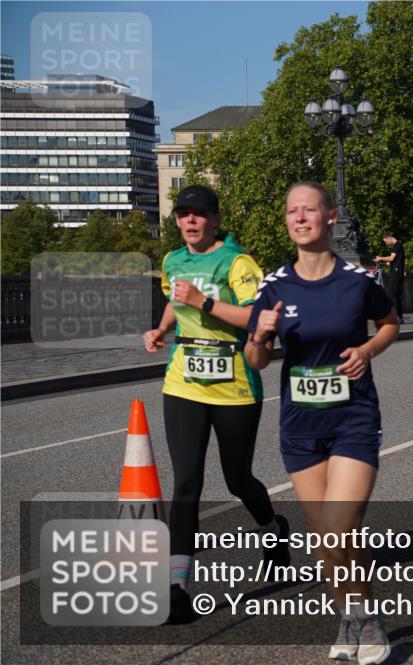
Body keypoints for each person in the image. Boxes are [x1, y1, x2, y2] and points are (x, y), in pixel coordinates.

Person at [245, 182, 399, 664]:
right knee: (327, 543)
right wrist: (262, 336)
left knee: (339, 527)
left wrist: (368, 350)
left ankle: (369, 622)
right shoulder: (273, 287)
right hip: (300, 427)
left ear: (330, 217)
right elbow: (256, 361)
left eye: (310, 209)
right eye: (292, 211)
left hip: (353, 418)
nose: (300, 217)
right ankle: (350, 619)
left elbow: (391, 322)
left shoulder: (357, 280)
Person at [142, 184, 287, 624]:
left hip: (235, 384)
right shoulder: (172, 259)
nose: (189, 222)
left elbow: (256, 318)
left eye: (198, 215)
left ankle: (273, 528)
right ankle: (177, 589)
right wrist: (162, 329)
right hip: (183, 382)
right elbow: (174, 300)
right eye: (183, 214)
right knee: (186, 483)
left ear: (216, 219)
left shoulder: (237, 262)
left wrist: (204, 301)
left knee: (237, 478)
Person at [374, 231, 405, 323]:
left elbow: (391, 258)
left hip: (396, 273)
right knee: (395, 295)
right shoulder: (397, 246)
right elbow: (393, 261)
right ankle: (399, 317)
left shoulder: (397, 245)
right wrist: (383, 263)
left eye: (385, 241)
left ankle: (396, 316)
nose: (386, 243)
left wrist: (380, 258)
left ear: (389, 238)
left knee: (391, 294)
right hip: (396, 272)